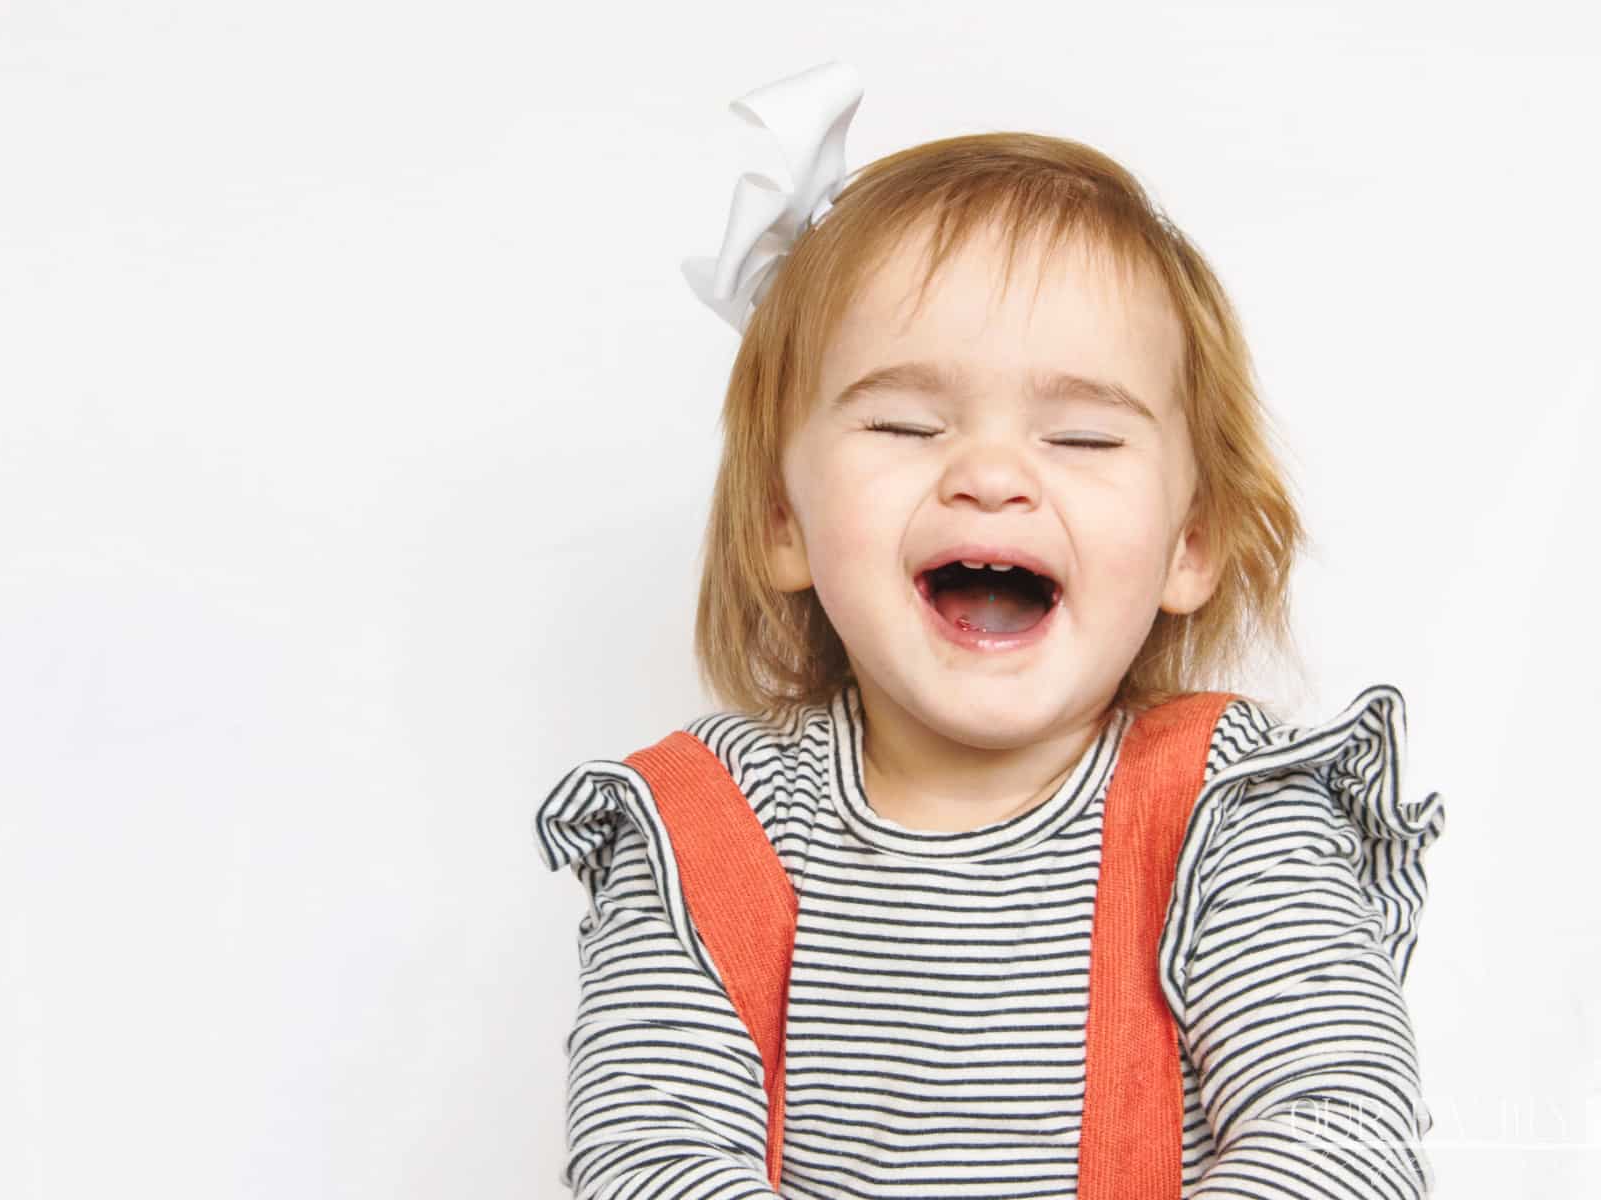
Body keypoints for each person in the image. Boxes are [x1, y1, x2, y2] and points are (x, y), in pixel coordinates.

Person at [531, 60, 1445, 1200]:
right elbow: (647, 1157)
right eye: (907, 425)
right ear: (783, 523)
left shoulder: (1231, 813)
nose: (992, 475)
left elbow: (1340, 1132)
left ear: (1189, 544)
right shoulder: (706, 830)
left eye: (1082, 439)